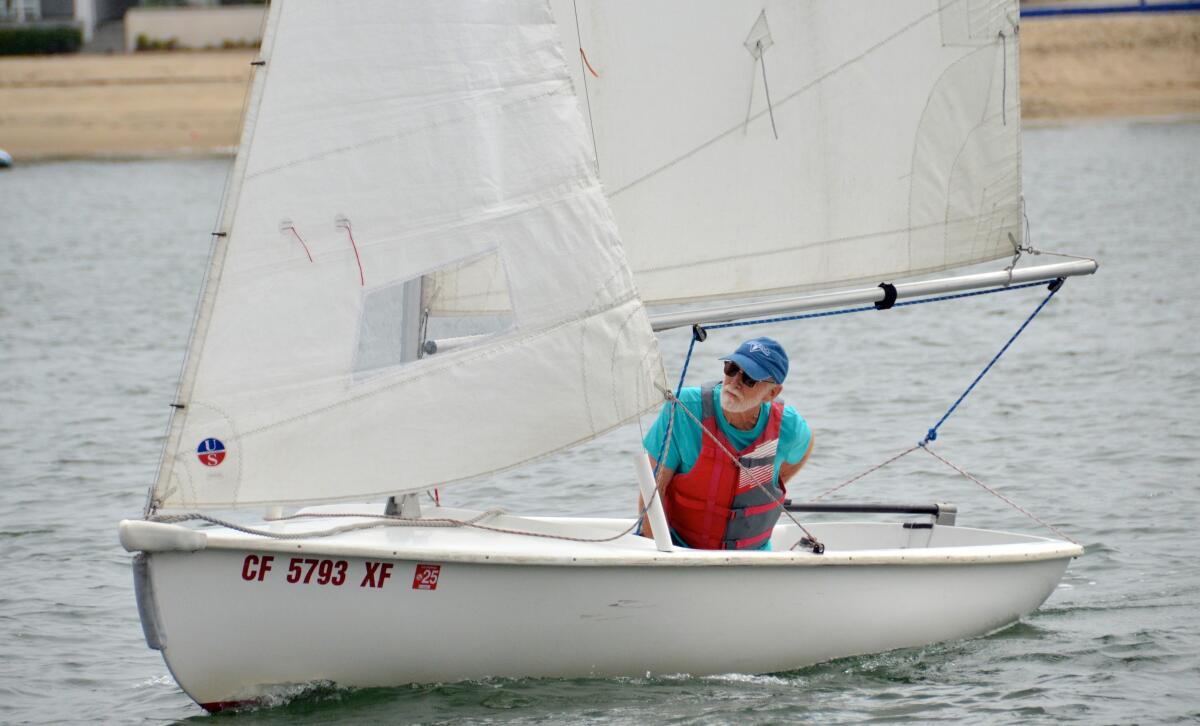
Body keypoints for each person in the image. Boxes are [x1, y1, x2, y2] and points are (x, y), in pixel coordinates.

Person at [640, 336, 812, 550]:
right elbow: (653, 489)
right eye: (731, 369)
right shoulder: (684, 409)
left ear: (772, 393)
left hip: (753, 559)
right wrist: (655, 555)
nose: (735, 382)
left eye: (749, 379)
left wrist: (774, 478)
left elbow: (804, 448)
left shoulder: (789, 427)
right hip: (683, 550)